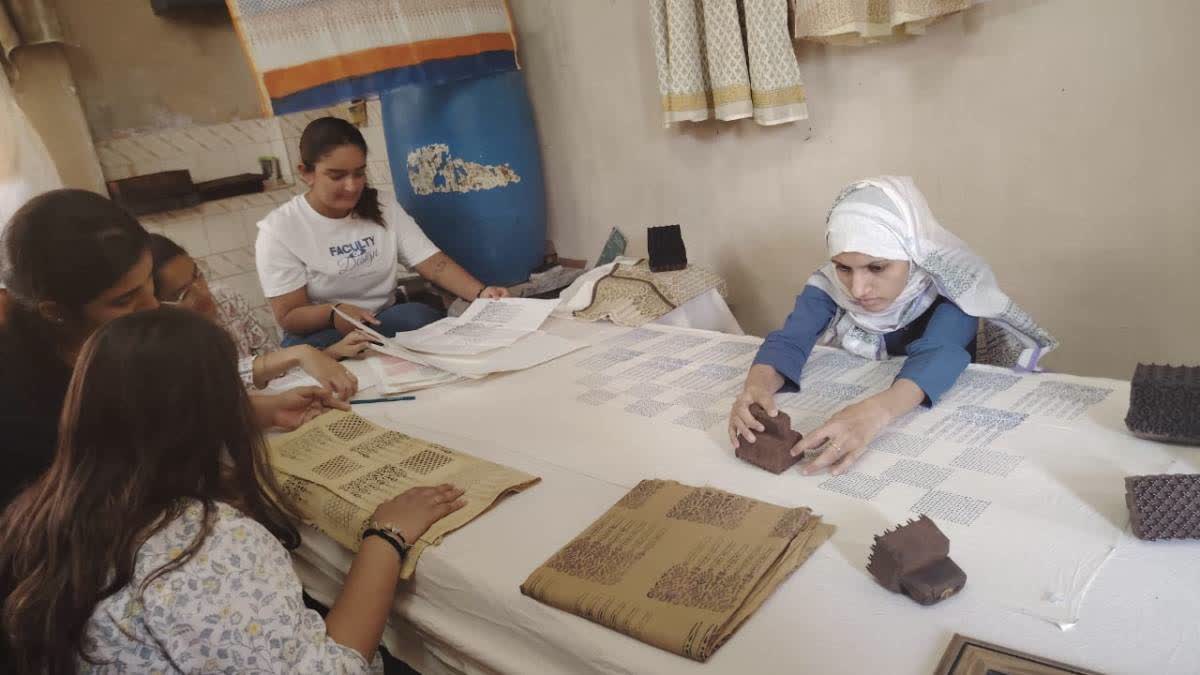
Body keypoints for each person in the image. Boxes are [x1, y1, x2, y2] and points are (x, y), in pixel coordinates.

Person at [0, 308, 467, 673]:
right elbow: (332, 669)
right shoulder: (205, 543)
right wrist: (384, 538)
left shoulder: (42, 510)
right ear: (212, 414)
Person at [0, 190, 348, 508]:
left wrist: (260, 411)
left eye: (150, 283)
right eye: (124, 300)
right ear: (56, 311)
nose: (152, 307)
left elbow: (164, 416)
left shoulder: (135, 336)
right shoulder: (24, 410)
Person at [729, 176, 1057, 476]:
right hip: (866, 398)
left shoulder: (953, 288)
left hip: (932, 417)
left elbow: (940, 353)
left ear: (912, 253)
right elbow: (791, 340)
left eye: (877, 267)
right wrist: (756, 387)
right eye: (844, 267)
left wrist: (873, 414)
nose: (857, 289)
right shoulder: (830, 285)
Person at [256, 116, 509, 349]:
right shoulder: (279, 230)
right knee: (306, 356)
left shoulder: (382, 205)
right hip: (325, 332)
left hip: (382, 320)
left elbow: (432, 263)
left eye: (359, 173)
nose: (351, 186)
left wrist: (481, 294)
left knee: (419, 316)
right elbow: (289, 316)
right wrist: (335, 313)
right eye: (336, 176)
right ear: (306, 173)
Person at [149, 233, 372, 398]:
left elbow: (275, 366)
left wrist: (329, 354)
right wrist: (298, 355)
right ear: (153, 304)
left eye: (197, 274)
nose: (202, 291)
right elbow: (214, 386)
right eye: (182, 293)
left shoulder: (226, 299)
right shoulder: (161, 342)